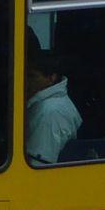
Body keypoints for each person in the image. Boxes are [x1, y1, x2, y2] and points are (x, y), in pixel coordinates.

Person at [23, 33, 82, 166]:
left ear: (51, 78)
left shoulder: (50, 113)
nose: (26, 81)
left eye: (32, 76)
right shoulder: (50, 103)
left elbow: (39, 164)